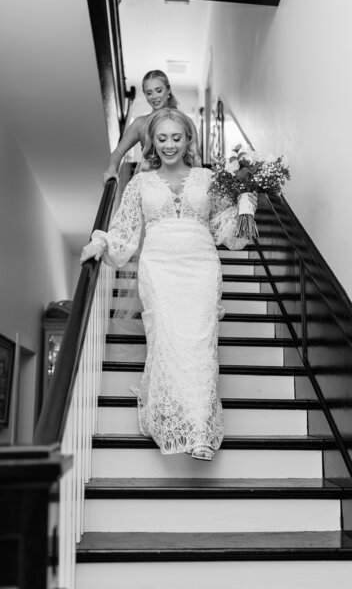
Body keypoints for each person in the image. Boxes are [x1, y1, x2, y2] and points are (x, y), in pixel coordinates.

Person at [81, 108, 257, 461]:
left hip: (202, 267)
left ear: (189, 139)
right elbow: (124, 230)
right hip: (159, 269)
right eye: (162, 138)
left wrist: (244, 206)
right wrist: (101, 242)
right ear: (151, 143)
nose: (169, 145)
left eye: (176, 137)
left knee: (200, 342)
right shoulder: (141, 183)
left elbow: (228, 234)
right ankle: (173, 419)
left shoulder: (209, 179)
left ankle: (201, 432)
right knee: (167, 341)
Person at [103, 69, 201, 184]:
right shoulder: (140, 123)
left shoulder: (185, 121)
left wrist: (197, 186)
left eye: (159, 90)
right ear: (145, 95)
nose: (154, 96)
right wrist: (111, 169)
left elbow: (195, 157)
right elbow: (119, 151)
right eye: (149, 93)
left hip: (179, 185)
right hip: (148, 186)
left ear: (168, 90)